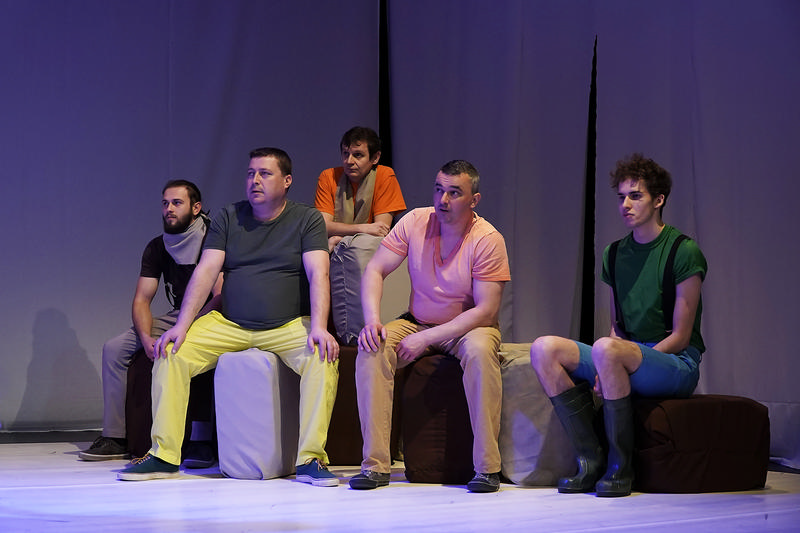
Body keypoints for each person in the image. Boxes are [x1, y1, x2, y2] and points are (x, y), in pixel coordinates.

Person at [117, 147, 341, 486]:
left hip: (287, 325)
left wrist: (320, 327)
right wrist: (182, 326)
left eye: (265, 173)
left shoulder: (306, 219)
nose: (255, 180)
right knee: (171, 350)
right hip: (229, 323)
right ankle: (164, 455)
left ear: (287, 181)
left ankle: (310, 458)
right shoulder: (228, 216)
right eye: (251, 173)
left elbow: (318, 274)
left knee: (322, 357)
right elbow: (206, 271)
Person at [530, 153, 708, 498]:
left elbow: (681, 336)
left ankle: (620, 467)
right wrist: (610, 360)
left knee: (607, 349)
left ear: (659, 200)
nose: (625, 205)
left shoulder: (683, 251)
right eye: (621, 197)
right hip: (625, 355)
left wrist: (617, 357)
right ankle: (589, 459)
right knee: (544, 348)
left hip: (675, 362)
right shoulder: (613, 253)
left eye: (635, 196)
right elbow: (617, 326)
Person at [351, 160, 510, 493]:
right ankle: (375, 466)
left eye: (454, 193)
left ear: (474, 200)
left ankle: (487, 468)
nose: (443, 200)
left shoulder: (487, 239)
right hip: (418, 321)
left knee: (481, 353)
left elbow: (486, 310)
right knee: (372, 349)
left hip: (469, 328)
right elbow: (375, 269)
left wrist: (428, 338)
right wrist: (373, 321)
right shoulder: (415, 221)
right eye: (439, 190)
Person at [80, 180, 222, 463]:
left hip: (211, 314)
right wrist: (146, 338)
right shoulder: (158, 246)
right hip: (178, 314)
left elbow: (219, 296)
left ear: (196, 208)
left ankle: (201, 439)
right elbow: (141, 300)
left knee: (191, 347)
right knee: (114, 349)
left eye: (177, 203)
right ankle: (115, 436)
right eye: (165, 203)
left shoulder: (214, 240)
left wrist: (186, 327)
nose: (169, 209)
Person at [314, 126, 406, 252]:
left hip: (369, 251)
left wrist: (338, 239)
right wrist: (362, 228)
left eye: (358, 155)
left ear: (375, 158)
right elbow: (323, 227)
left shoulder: (384, 175)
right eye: (346, 154)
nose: (349, 161)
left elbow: (380, 231)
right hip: (334, 250)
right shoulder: (328, 176)